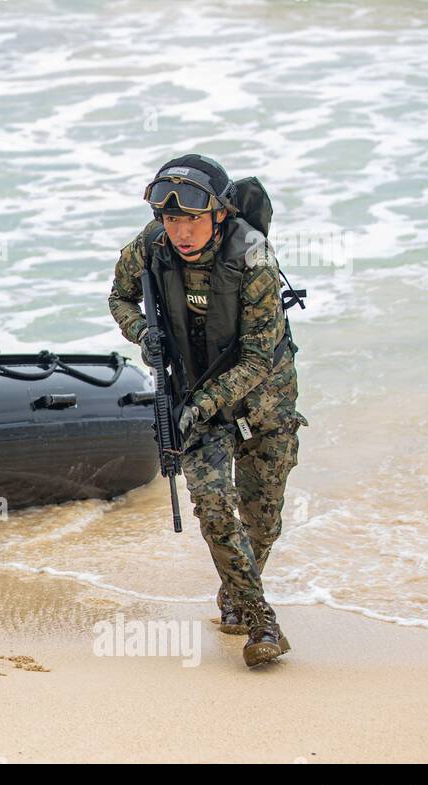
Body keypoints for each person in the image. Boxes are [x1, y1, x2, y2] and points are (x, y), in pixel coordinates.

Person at [108, 154, 306, 667]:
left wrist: (202, 405)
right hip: (193, 394)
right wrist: (144, 334)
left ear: (217, 214)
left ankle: (235, 594)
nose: (180, 231)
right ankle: (262, 621)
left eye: (191, 219)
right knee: (214, 508)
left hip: (264, 399)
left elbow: (260, 355)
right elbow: (120, 299)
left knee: (262, 520)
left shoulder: (254, 258)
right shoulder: (149, 247)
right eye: (170, 219)